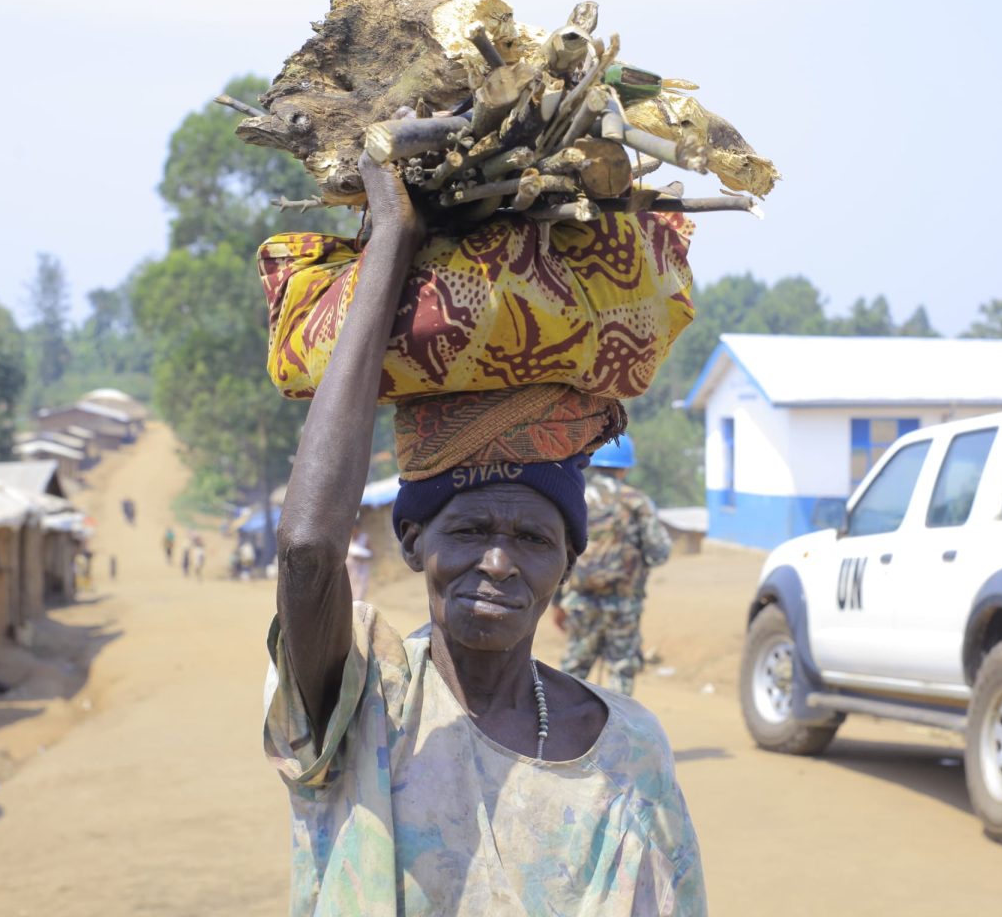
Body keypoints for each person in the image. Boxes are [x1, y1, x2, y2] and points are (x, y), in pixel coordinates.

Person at [264, 150, 705, 915]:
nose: (498, 562)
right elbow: (308, 552)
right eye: (468, 530)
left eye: (534, 540)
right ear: (411, 543)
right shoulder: (366, 704)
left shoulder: (630, 747)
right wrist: (394, 241)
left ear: (568, 561)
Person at [552, 434, 671, 696]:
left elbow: (560, 551)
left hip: (581, 601)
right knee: (621, 670)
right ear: (626, 467)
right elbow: (659, 552)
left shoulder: (576, 496)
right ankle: (619, 733)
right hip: (624, 605)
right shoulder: (637, 502)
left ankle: (561, 730)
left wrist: (557, 602)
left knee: (574, 670)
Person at [344, 516, 372, 600]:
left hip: (361, 573)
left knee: (359, 597)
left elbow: (371, 554)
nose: (353, 531)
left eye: (355, 528)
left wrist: (362, 556)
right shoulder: (346, 539)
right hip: (349, 573)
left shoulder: (364, 538)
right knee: (349, 597)